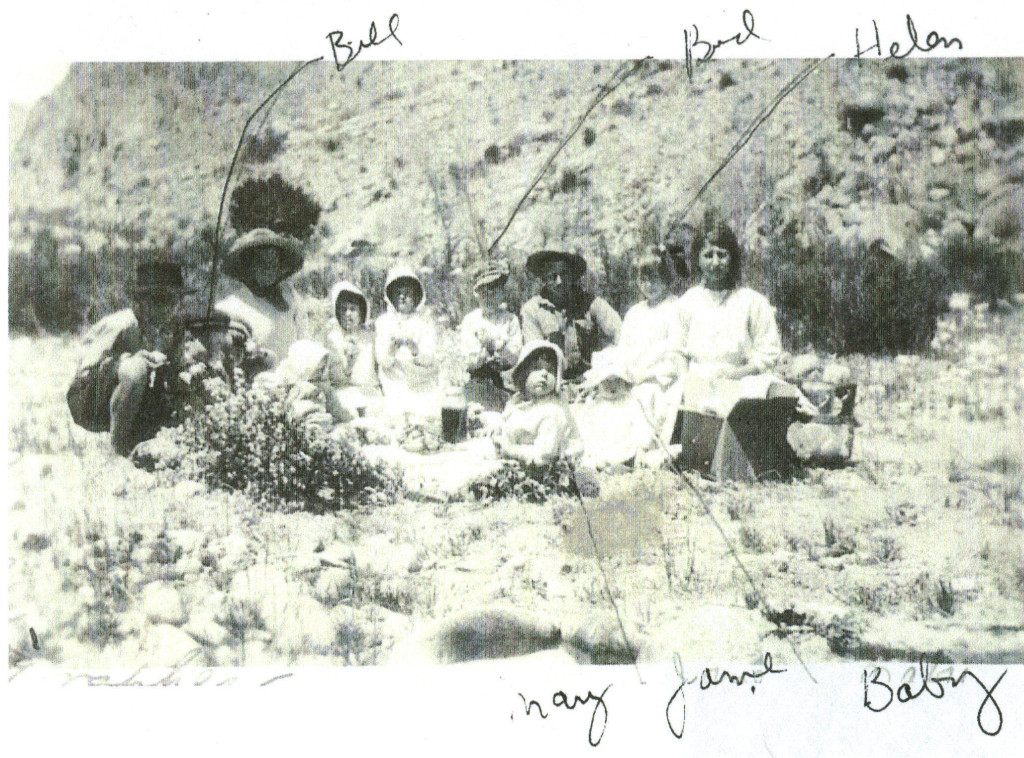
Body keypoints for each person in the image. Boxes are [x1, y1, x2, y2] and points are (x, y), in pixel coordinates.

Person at [67, 261, 211, 457]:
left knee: (191, 382)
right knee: (136, 369)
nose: (168, 307)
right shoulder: (123, 324)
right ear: (141, 300)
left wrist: (188, 372)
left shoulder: (173, 327)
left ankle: (196, 447)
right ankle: (117, 451)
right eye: (160, 300)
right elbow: (84, 375)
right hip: (91, 404)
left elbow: (177, 368)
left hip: (139, 401)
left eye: (174, 300)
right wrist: (124, 362)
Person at [519, 250, 621, 380]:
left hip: (593, 379)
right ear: (543, 278)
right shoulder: (532, 310)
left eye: (564, 274)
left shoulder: (592, 303)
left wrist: (606, 362)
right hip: (553, 384)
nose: (559, 281)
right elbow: (535, 355)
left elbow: (621, 335)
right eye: (552, 275)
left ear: (573, 276)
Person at [215, 228, 305, 369]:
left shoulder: (292, 300)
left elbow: (303, 342)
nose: (269, 268)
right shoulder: (231, 306)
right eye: (262, 262)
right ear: (249, 266)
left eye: (274, 261)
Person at [496, 340, 583, 467]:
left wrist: (509, 450)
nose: (544, 374)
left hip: (548, 468)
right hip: (518, 459)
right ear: (523, 374)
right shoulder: (517, 403)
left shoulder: (552, 411)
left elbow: (544, 454)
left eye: (551, 371)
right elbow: (507, 426)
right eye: (536, 368)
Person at [374, 265, 440, 415]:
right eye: (398, 293)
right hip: (394, 383)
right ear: (391, 297)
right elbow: (382, 360)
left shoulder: (424, 323)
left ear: (416, 297)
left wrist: (414, 349)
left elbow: (430, 358)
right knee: (396, 416)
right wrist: (392, 348)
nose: (402, 297)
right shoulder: (383, 322)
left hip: (421, 383)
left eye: (407, 293)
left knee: (428, 415)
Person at [457, 260, 523, 410]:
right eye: (484, 290)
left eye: (494, 288)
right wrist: (485, 352)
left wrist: (493, 346)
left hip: (506, 382)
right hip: (478, 382)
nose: (489, 295)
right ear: (476, 293)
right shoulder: (471, 320)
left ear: (502, 292)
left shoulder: (510, 319)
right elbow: (469, 360)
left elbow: (514, 357)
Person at [324, 280, 381, 420]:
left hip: (369, 393)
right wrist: (348, 362)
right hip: (343, 394)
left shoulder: (372, 337)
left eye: (353, 309)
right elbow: (334, 378)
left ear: (361, 312)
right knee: (349, 415)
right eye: (343, 309)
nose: (348, 314)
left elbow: (379, 369)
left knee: (377, 413)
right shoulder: (332, 339)